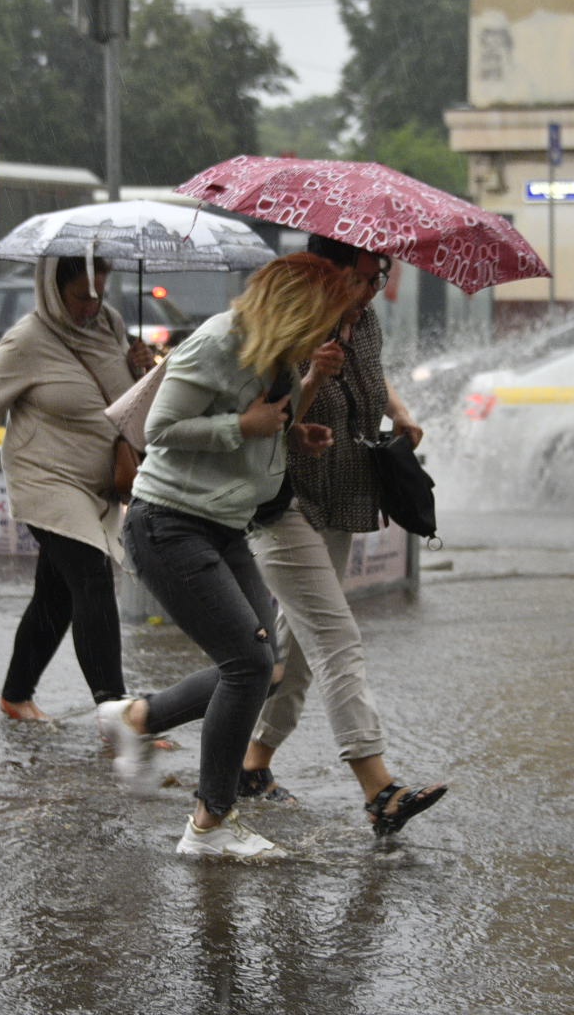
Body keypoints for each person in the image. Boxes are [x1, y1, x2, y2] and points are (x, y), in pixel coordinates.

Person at [96, 252, 355, 859]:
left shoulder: (282, 356)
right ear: (296, 308)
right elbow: (157, 428)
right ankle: (210, 824)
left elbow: (262, 423)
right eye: (327, 317)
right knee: (248, 664)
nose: (333, 332)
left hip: (225, 524)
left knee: (266, 668)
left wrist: (293, 433)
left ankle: (135, 719)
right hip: (169, 524)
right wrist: (245, 426)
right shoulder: (216, 343)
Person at [239, 234, 447, 838]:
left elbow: (374, 381)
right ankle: (379, 788)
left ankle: (251, 764)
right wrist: (310, 380)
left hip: (343, 495)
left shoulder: (365, 322)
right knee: (336, 637)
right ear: (328, 273)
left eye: (379, 276)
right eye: (362, 277)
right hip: (284, 499)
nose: (371, 288)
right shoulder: (287, 323)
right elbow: (259, 423)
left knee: (299, 649)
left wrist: (400, 412)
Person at [0, 257, 154, 722]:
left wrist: (140, 367)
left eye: (99, 294)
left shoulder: (112, 326)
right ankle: (118, 717)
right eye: (81, 296)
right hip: (44, 479)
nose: (91, 306)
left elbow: (125, 405)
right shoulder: (26, 341)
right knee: (92, 576)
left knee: (56, 595)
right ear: (52, 290)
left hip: (96, 483)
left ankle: (16, 696)